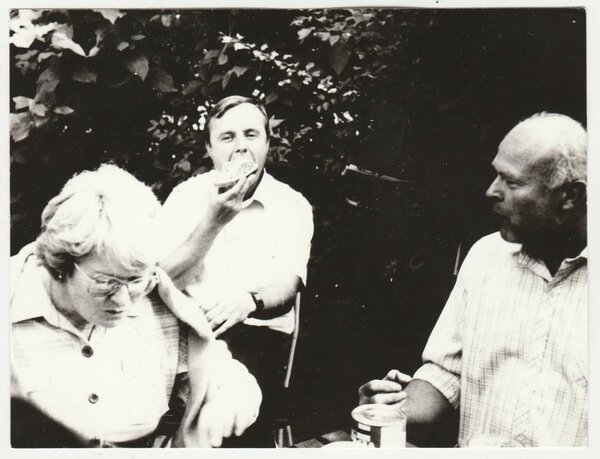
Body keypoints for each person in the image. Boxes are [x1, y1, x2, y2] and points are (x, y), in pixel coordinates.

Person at [358, 112, 588, 447]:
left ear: (570, 196)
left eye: (512, 182)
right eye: (496, 175)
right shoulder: (485, 257)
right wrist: (393, 409)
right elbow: (446, 374)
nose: (491, 191)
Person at [10, 164, 262, 448]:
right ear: (62, 262)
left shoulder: (158, 301)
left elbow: (232, 381)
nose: (125, 301)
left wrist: (226, 404)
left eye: (135, 280)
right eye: (106, 282)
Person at [158, 95, 314, 446]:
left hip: (254, 333)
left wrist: (248, 301)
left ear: (268, 144)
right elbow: (160, 278)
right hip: (184, 334)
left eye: (251, 135)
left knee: (234, 407)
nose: (241, 148)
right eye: (227, 138)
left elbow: (287, 287)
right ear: (210, 149)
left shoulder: (292, 206)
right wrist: (212, 222)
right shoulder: (186, 197)